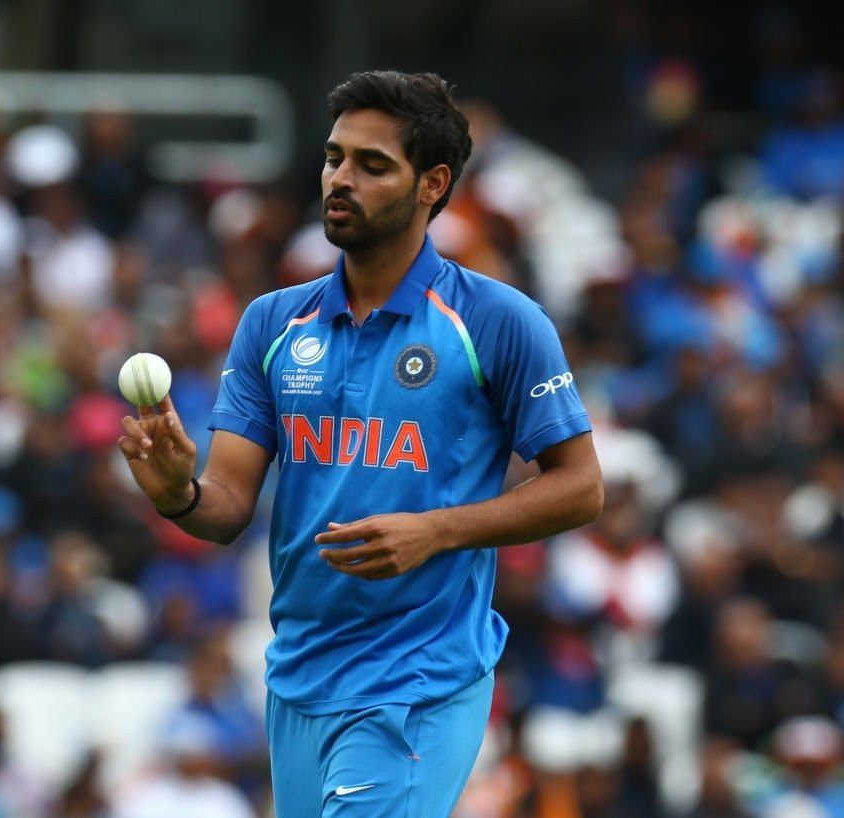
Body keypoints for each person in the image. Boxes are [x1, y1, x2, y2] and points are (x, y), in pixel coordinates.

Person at [117, 69, 603, 818]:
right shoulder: (272, 322)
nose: (340, 179)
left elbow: (581, 486)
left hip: (419, 679)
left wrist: (437, 531)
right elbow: (226, 508)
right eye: (334, 158)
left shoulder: (498, 321)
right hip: (300, 676)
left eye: (372, 165)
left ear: (432, 184)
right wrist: (178, 492)